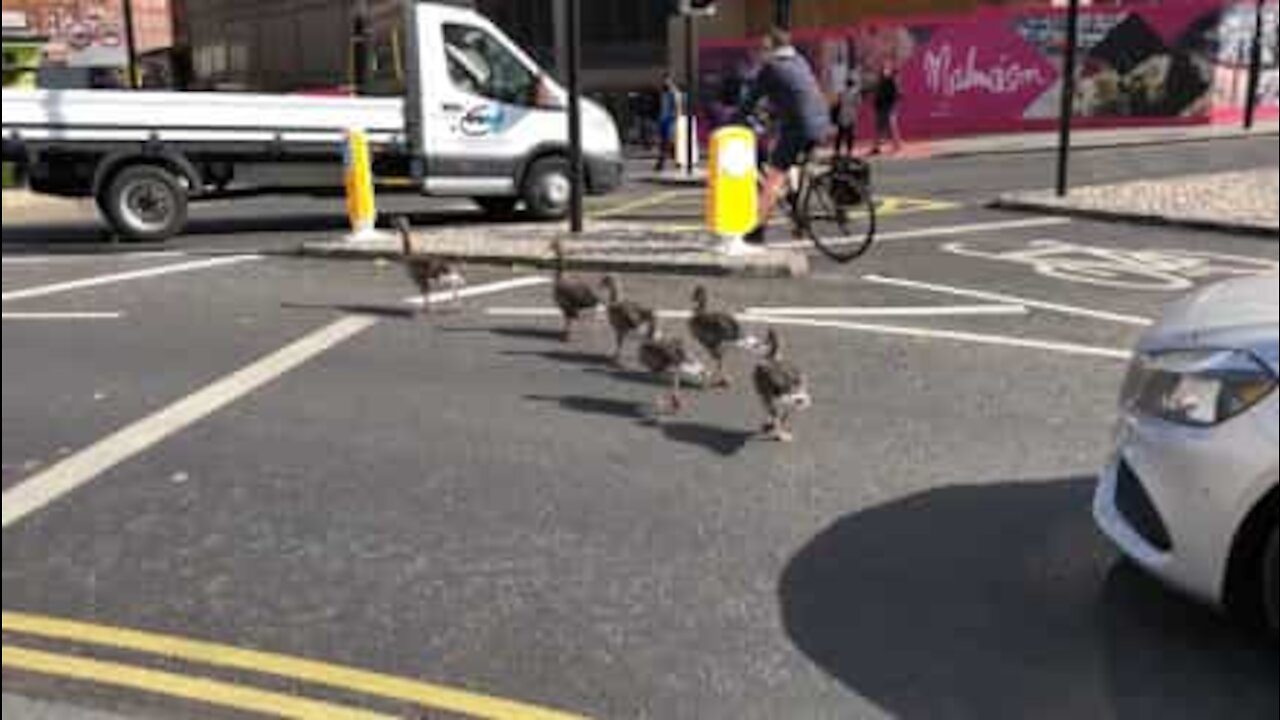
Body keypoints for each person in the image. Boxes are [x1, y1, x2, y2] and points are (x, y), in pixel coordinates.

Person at [739, 27, 833, 246]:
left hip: (799, 127)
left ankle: (757, 230)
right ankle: (796, 209)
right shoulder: (799, 60)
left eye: (764, 48)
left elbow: (749, 101)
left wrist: (732, 122)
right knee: (790, 162)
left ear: (772, 48)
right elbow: (795, 94)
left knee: (773, 178)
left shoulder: (770, 68)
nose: (761, 52)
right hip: (821, 124)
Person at [872, 63, 904, 155]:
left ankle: (897, 145)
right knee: (878, 128)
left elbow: (898, 94)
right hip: (881, 108)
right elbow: (877, 96)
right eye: (884, 70)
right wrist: (876, 105)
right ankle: (876, 147)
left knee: (892, 127)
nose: (885, 71)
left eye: (887, 70)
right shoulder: (881, 81)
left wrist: (892, 104)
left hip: (889, 108)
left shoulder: (892, 82)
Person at [654, 74, 683, 173]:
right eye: (663, 80)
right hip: (663, 120)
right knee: (667, 143)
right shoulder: (663, 92)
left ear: (671, 81)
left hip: (670, 121)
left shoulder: (674, 93)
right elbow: (662, 107)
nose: (664, 82)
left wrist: (675, 120)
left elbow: (678, 108)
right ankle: (676, 161)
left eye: (666, 80)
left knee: (667, 142)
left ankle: (661, 163)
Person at [834, 70, 862, 158]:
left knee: (840, 134)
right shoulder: (856, 93)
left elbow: (838, 103)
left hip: (842, 115)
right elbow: (858, 104)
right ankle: (849, 152)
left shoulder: (841, 93)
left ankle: (837, 151)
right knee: (849, 135)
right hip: (851, 116)